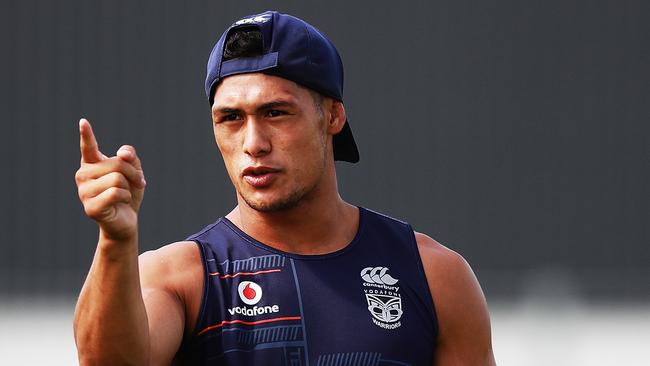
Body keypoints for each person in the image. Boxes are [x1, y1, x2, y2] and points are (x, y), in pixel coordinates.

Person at [73, 10, 496, 366]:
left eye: (275, 112)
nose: (253, 143)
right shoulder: (183, 278)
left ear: (332, 117)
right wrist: (115, 241)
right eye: (231, 118)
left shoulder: (432, 275)